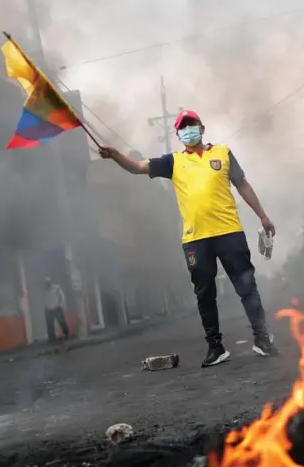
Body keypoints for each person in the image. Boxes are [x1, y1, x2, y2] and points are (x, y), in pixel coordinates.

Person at [99, 108, 279, 367]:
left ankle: (262, 340)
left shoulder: (223, 153)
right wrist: (115, 155)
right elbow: (138, 167)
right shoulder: (173, 162)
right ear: (178, 134)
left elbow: (242, 184)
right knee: (204, 293)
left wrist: (262, 215)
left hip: (229, 231)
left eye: (192, 125)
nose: (188, 130)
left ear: (202, 128)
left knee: (247, 287)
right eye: (183, 127)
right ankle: (215, 348)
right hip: (195, 239)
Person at [44, 277, 69, 341]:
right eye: (45, 283)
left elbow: (61, 296)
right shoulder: (44, 290)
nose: (46, 284)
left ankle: (66, 334)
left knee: (61, 321)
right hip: (48, 309)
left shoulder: (56, 288)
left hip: (56, 307)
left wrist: (60, 304)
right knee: (50, 324)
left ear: (50, 282)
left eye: (47, 282)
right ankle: (52, 338)